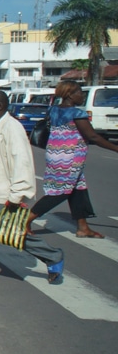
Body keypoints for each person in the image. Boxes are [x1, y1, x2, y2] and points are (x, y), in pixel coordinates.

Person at [0, 90, 64, 284]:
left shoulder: (12, 128)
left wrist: (18, 194)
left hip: (3, 192)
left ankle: (52, 255)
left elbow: (21, 161)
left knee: (11, 233)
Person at [26, 81, 118, 238]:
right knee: (60, 192)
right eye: (79, 93)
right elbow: (92, 136)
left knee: (78, 188)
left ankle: (83, 227)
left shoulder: (54, 110)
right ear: (69, 94)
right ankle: (25, 219)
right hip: (70, 158)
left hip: (56, 155)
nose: (82, 96)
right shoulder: (77, 114)